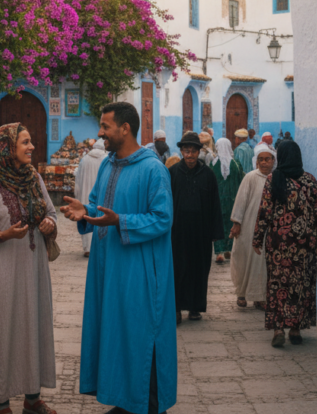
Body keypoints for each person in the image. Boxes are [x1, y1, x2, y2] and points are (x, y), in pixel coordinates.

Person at [60, 102, 176, 414]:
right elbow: (98, 204)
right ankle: (126, 402)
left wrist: (120, 221)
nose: (100, 132)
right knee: (115, 334)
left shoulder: (153, 169)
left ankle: (150, 405)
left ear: (125, 128)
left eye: (105, 126)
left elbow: (163, 218)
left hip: (139, 273)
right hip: (108, 268)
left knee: (141, 334)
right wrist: (85, 211)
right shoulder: (108, 165)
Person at [0, 123, 59, 414]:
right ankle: (2, 404)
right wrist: (4, 235)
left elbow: (51, 211)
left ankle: (32, 400)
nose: (31, 147)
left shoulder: (34, 179)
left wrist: (50, 223)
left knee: (33, 329)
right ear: (7, 148)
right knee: (2, 333)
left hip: (33, 273)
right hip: (2, 276)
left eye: (31, 141)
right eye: (25, 142)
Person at [253, 140, 317, 348]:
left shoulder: (274, 179)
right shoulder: (310, 181)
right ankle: (296, 329)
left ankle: (278, 328)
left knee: (277, 285)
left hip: (279, 245)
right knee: (302, 284)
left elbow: (265, 211)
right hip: (305, 245)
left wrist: (257, 238)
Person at [169, 131, 224, 323]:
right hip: (178, 231)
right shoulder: (173, 173)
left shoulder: (207, 174)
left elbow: (215, 204)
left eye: (193, 151)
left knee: (199, 269)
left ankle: (195, 307)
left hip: (201, 232)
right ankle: (176, 308)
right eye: (186, 151)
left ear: (199, 152)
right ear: (182, 152)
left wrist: (216, 231)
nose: (190, 155)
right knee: (178, 268)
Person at [229, 142, 276, 310]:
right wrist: (237, 223)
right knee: (244, 257)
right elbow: (241, 201)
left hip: (267, 227)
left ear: (273, 161)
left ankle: (259, 296)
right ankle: (241, 293)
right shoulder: (250, 177)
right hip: (248, 225)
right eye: (260, 159)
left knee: (261, 261)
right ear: (256, 161)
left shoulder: (276, 179)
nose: (264, 163)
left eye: (267, 159)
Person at [210, 138, 245, 266]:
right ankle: (229, 250)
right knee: (231, 222)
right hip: (233, 199)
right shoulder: (236, 164)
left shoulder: (213, 164)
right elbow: (241, 181)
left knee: (219, 224)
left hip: (218, 199)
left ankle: (219, 252)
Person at [73, 139, 107, 258]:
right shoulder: (106, 159)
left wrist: (77, 194)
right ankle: (97, 247)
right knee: (99, 217)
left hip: (85, 192)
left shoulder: (85, 159)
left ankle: (87, 248)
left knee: (86, 217)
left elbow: (78, 179)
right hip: (100, 194)